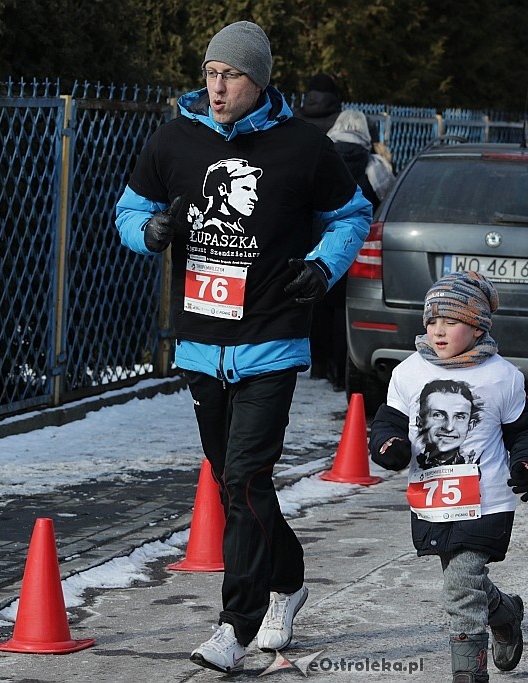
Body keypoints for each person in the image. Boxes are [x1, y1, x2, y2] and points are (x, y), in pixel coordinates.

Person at [114, 21, 372, 674]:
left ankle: (236, 622)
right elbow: (126, 209)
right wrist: (151, 229)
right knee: (240, 492)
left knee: (245, 477)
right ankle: (289, 580)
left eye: (230, 74)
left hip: (272, 342)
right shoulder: (176, 138)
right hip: (203, 344)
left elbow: (352, 215)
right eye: (210, 72)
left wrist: (321, 267)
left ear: (258, 80)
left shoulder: (302, 147)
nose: (217, 86)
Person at [367, 271, 528, 683]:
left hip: (486, 500)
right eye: (431, 321)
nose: (439, 330)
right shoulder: (408, 373)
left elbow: (526, 432)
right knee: (465, 580)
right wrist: (390, 446)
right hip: (432, 498)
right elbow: (388, 422)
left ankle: (468, 674)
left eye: (450, 321)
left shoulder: (503, 376)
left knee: (460, 585)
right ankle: (505, 613)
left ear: (478, 324)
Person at [310, 109, 397, 391]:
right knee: (342, 308)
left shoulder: (320, 155)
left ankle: (318, 365)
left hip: (318, 239)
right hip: (356, 244)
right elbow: (386, 201)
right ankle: (340, 369)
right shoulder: (375, 165)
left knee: (319, 301)